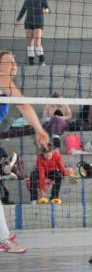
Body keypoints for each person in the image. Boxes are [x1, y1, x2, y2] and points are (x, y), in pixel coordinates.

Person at [0, 49, 50, 252]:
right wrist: (39, 129)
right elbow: (23, 105)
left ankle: (3, 236)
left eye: (14, 61)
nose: (13, 65)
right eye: (8, 61)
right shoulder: (2, 79)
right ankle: (3, 238)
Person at [15, 0, 50, 65]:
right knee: (29, 42)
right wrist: (18, 20)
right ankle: (31, 61)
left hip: (38, 23)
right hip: (28, 22)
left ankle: (41, 60)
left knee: (37, 42)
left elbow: (48, 9)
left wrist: (46, 11)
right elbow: (23, 10)